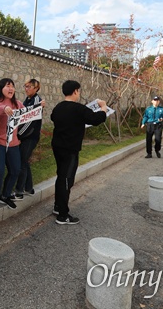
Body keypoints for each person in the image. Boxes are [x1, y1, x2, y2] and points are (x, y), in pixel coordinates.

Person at [51, 80, 107, 225]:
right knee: (67, 179)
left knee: (61, 176)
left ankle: (58, 206)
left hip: (57, 147)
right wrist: (104, 108)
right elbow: (96, 119)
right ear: (75, 91)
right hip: (70, 149)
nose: (79, 94)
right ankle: (63, 215)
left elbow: (53, 118)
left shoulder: (58, 108)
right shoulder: (79, 109)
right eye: (79, 91)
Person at [0, 78, 25, 212]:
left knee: (15, 170)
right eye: (8, 86)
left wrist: (38, 108)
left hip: (13, 143)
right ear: (1, 88)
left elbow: (27, 114)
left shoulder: (18, 103)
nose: (11, 89)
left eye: (13, 86)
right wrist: (3, 108)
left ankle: (6, 195)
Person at [14, 79, 46, 200]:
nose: (26, 88)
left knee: (22, 162)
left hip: (30, 137)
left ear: (36, 88)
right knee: (25, 161)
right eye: (25, 86)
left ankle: (19, 191)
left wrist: (18, 135)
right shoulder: (28, 100)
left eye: (28, 86)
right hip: (25, 135)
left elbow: (30, 122)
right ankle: (29, 188)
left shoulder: (37, 101)